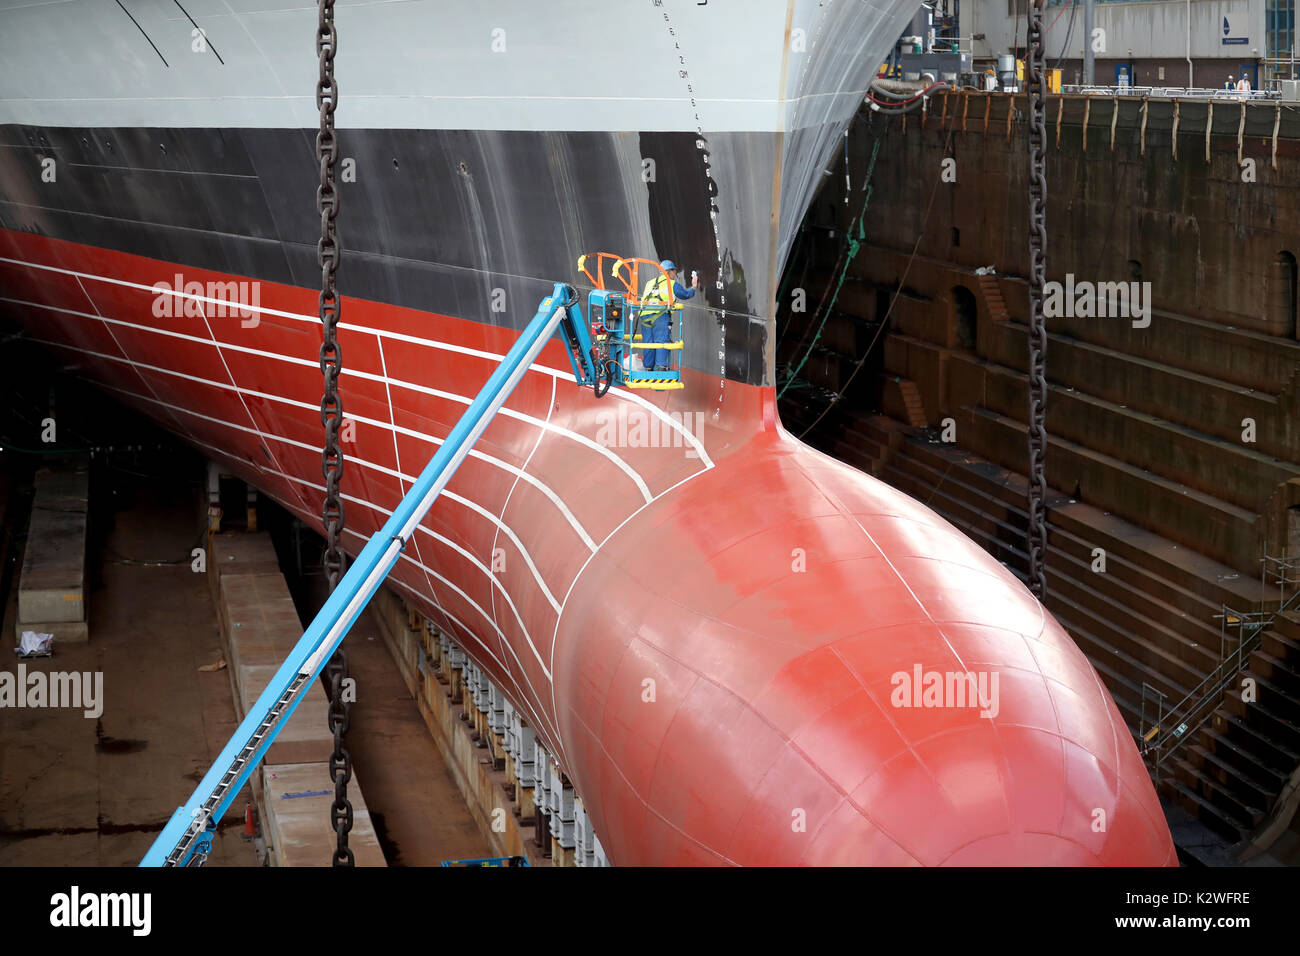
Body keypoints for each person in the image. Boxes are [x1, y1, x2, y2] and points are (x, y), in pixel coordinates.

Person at [638, 259, 700, 371]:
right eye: (674, 271)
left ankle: (648, 366)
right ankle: (661, 366)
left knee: (648, 342)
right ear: (669, 271)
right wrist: (694, 287)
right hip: (660, 315)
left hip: (644, 315)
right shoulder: (671, 284)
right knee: (662, 340)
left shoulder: (650, 283)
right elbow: (685, 294)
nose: (675, 274)